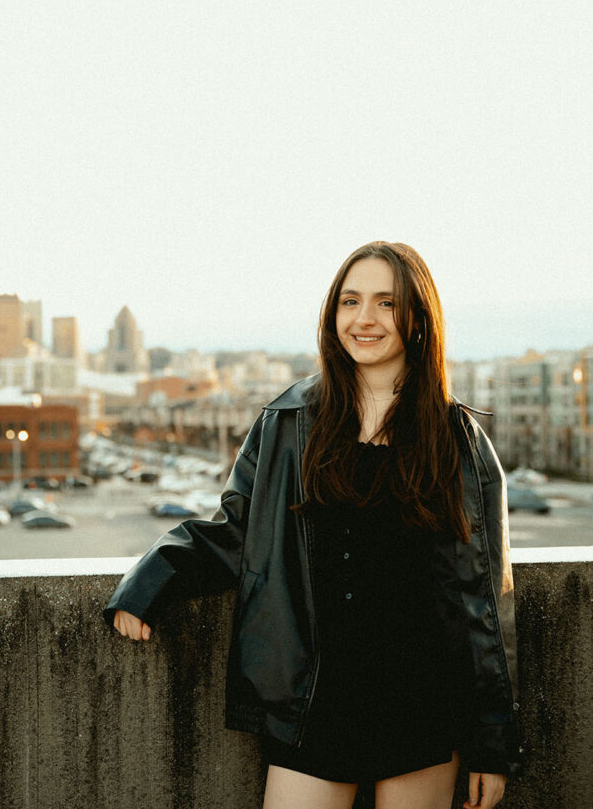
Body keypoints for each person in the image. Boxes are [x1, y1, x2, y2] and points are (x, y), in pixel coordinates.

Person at [103, 241, 523, 809]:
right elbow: (237, 533)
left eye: (386, 303)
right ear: (333, 314)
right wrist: (152, 578)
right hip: (315, 700)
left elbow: (484, 603)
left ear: (419, 319)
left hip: (421, 704)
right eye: (350, 301)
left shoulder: (457, 440)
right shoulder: (287, 423)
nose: (364, 319)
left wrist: (491, 745)